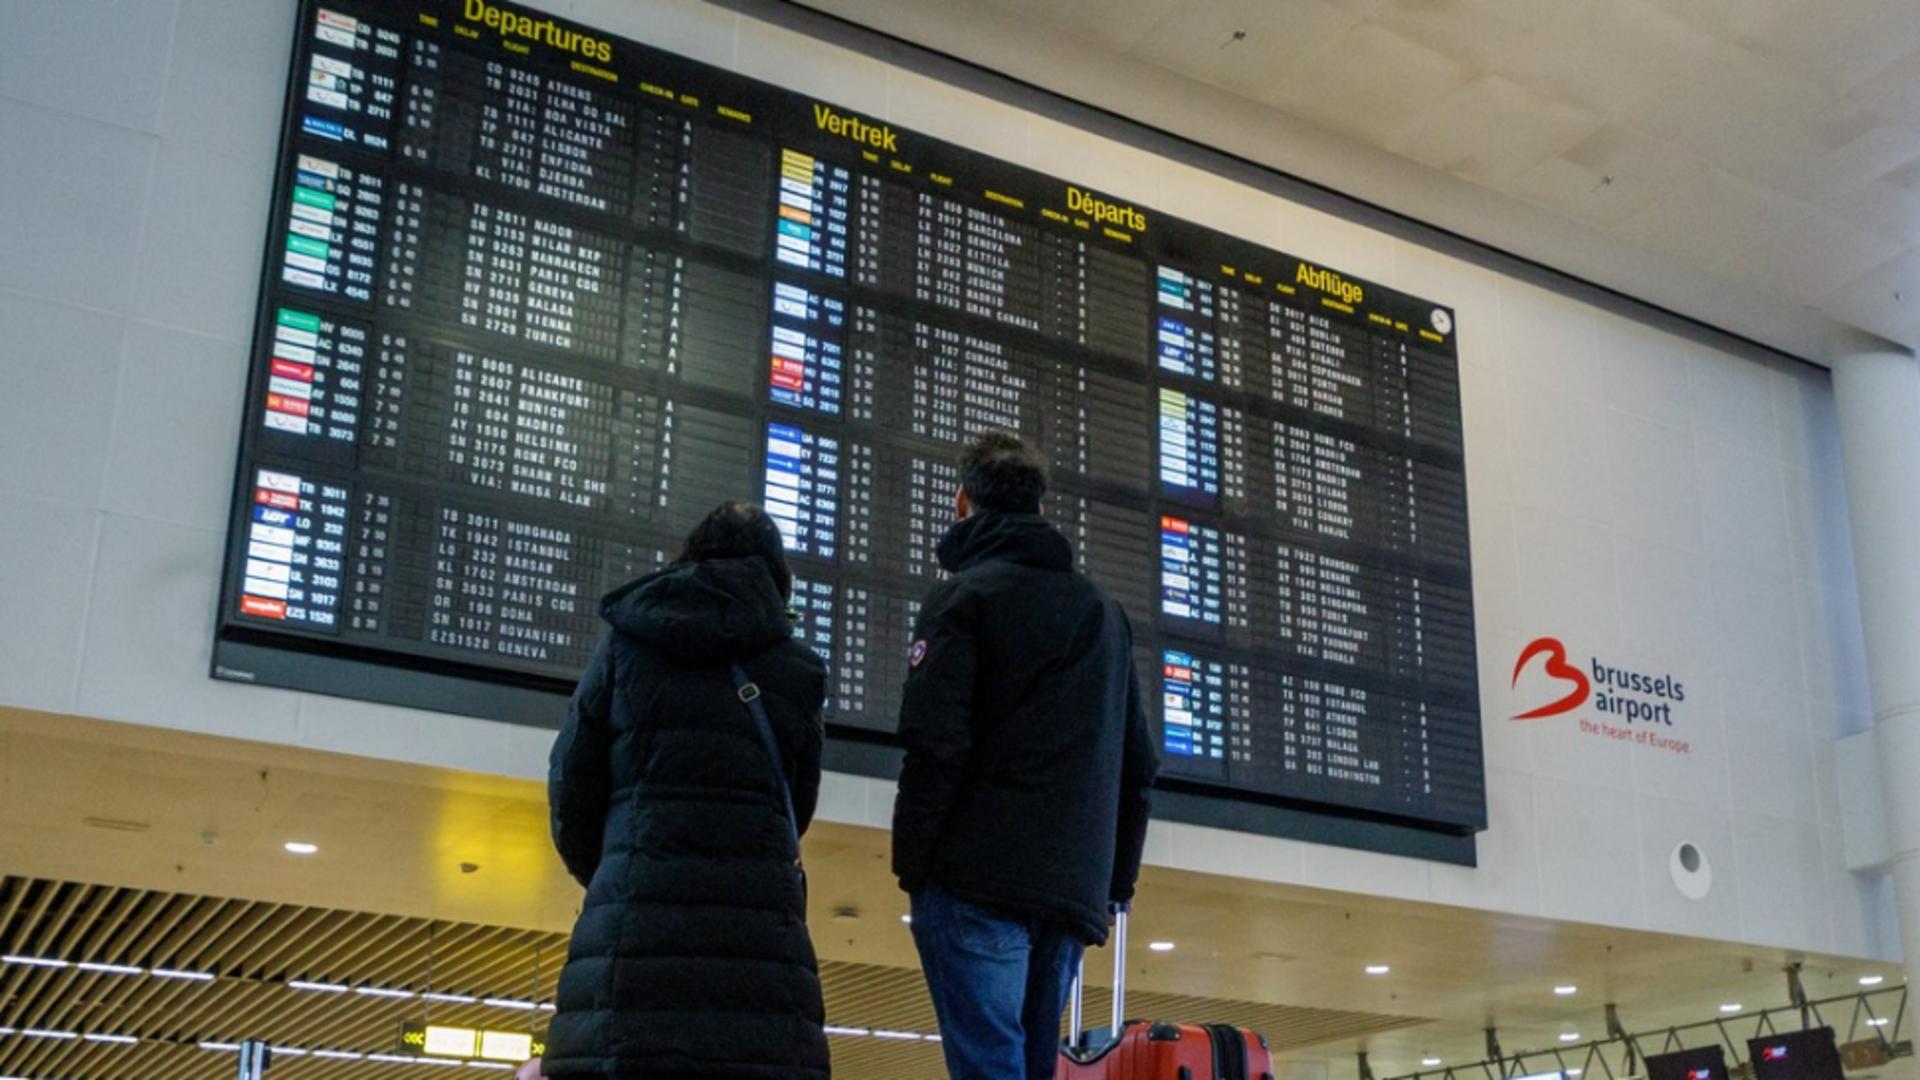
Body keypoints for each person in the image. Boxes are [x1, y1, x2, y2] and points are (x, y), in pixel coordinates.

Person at [894, 431, 1160, 1080]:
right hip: (1070, 887)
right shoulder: (1104, 612)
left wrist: (916, 865)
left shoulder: (962, 598)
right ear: (1041, 510)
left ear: (962, 504)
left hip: (975, 877)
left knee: (989, 1066)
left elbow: (935, 743)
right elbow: (1139, 763)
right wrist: (1112, 884)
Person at [542, 502, 831, 1080]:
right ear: (778, 576)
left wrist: (618, 870)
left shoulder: (626, 644)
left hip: (633, 948)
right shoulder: (797, 669)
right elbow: (793, 806)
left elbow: (572, 780)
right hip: (759, 957)